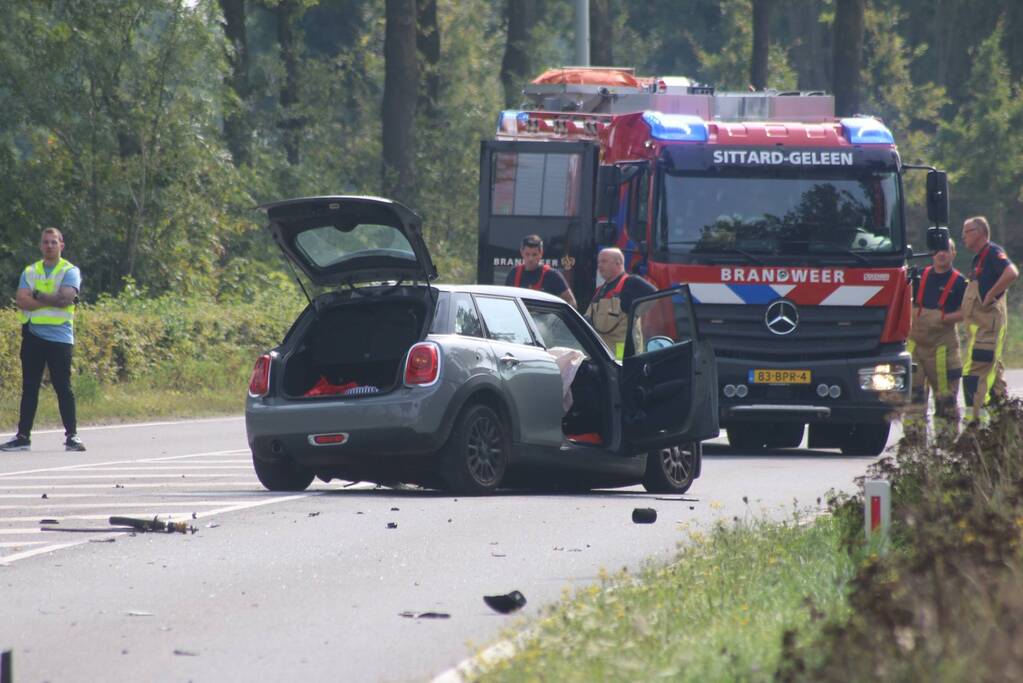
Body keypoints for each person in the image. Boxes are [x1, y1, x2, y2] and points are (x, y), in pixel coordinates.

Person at [1, 228, 86, 452]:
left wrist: (37, 296)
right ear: (41, 245)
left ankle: (72, 436)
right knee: (29, 388)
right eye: (46, 242)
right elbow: (22, 300)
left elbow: (67, 297)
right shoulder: (31, 271)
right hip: (33, 335)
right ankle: (22, 436)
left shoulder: (70, 270)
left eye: (53, 242)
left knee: (63, 387)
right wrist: (53, 299)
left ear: (61, 245)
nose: (49, 246)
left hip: (60, 338)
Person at [960, 216, 1019, 423]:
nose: (963, 237)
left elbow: (1012, 273)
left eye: (967, 231)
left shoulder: (992, 252)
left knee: (973, 377)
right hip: (980, 332)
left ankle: (976, 426)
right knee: (992, 378)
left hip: (989, 330)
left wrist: (991, 294)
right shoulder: (978, 259)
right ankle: (1003, 424)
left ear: (979, 233)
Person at [905, 239, 967, 433]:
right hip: (915, 347)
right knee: (913, 397)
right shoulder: (918, 276)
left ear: (953, 253)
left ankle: (946, 444)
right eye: (938, 250)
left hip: (943, 349)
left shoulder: (959, 282)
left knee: (945, 399)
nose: (942, 254)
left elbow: (967, 311)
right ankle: (913, 445)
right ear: (932, 253)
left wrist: (945, 318)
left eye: (946, 250)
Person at [585, 247, 656, 359]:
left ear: (618, 262)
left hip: (622, 352)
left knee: (621, 370)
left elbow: (654, 295)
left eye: (604, 261)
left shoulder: (631, 282)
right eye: (598, 262)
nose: (599, 265)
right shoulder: (600, 290)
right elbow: (588, 318)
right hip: (603, 354)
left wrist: (635, 312)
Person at [504, 234, 577, 307]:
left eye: (534, 254)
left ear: (541, 253)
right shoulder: (514, 274)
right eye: (527, 254)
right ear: (521, 252)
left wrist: (553, 317)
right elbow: (505, 301)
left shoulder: (552, 275)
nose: (530, 259)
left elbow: (571, 302)